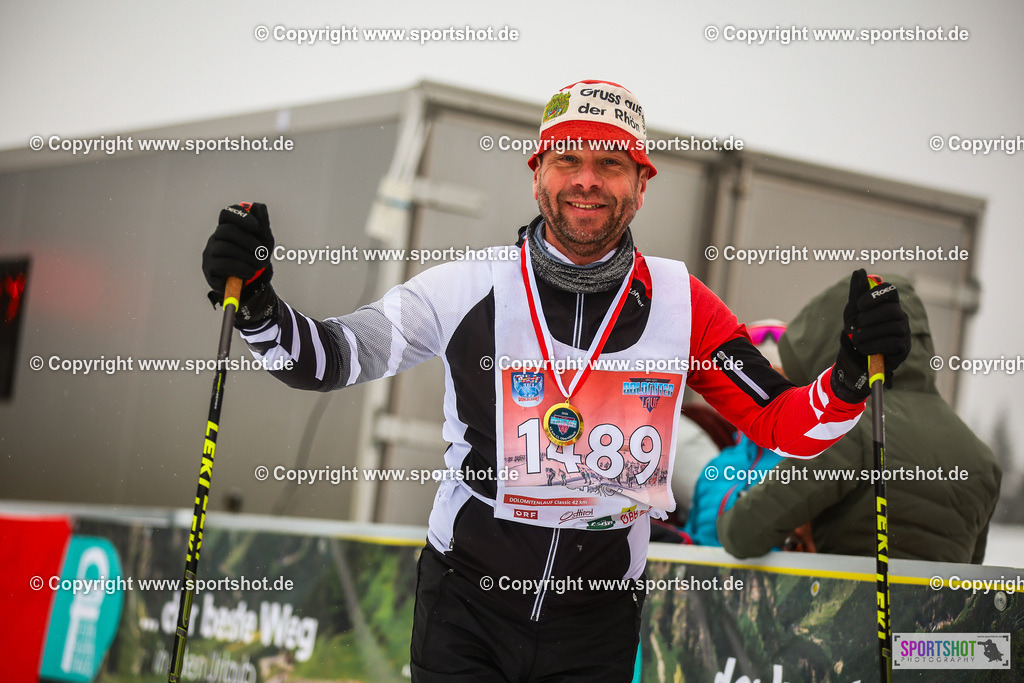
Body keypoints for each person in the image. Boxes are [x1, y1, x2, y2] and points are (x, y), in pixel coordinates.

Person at [201, 80, 912, 682]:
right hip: (467, 607)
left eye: (610, 163)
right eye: (567, 158)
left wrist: (849, 375)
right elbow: (331, 357)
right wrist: (260, 304)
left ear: (641, 183)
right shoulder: (467, 287)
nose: (586, 180)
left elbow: (784, 422)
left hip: (594, 622)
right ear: (537, 171)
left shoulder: (680, 302)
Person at [717, 275, 1001, 563]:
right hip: (940, 609)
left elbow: (741, 534)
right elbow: (968, 580)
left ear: (838, 342)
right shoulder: (983, 459)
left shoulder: (847, 427)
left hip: (856, 605)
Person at [682, 321, 788, 547]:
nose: (762, 394)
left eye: (777, 383)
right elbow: (692, 545)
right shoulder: (717, 465)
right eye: (751, 383)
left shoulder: (809, 464)